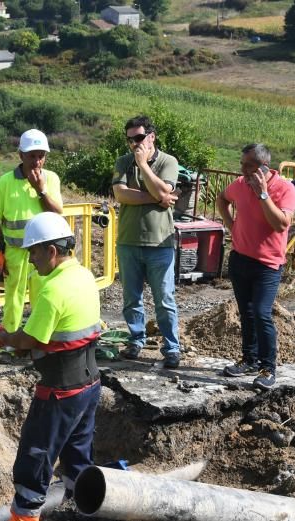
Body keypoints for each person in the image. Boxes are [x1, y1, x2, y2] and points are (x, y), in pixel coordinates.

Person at [0, 212, 102, 521]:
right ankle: (84, 517)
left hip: (60, 391)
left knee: (35, 458)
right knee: (78, 457)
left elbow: (30, 340)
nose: (32, 260)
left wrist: (5, 337)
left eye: (34, 252)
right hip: (89, 384)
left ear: (51, 251)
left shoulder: (53, 291)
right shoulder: (83, 276)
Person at [216, 143, 295, 390]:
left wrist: (263, 194)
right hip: (240, 259)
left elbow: (281, 224)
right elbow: (222, 199)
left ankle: (267, 368)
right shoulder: (240, 185)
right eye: (242, 164)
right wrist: (233, 226)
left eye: (248, 166)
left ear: (264, 167)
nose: (242, 170)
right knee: (246, 313)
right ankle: (249, 360)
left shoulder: (285, 188)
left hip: (267, 265)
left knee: (262, 313)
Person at [111, 115, 181, 370]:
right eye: (130, 139)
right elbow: (120, 194)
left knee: (164, 299)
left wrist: (143, 166)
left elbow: (166, 190)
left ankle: (172, 348)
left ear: (152, 136)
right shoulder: (122, 162)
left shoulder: (168, 161)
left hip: (159, 244)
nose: (134, 144)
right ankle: (135, 340)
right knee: (131, 297)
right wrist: (157, 197)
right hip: (128, 241)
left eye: (139, 138)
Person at [0, 129, 64, 333]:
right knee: (14, 298)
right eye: (32, 156)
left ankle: (40, 339)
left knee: (44, 296)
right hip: (16, 252)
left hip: (44, 252)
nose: (37, 161)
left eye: (41, 156)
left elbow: (57, 212)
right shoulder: (5, 182)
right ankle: (10, 340)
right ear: (20, 155)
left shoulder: (51, 179)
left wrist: (41, 190)